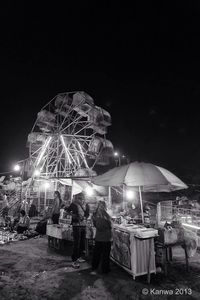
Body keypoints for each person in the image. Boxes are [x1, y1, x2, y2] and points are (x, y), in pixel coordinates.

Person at [66, 193, 90, 268]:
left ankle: (79, 256)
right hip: (76, 225)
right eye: (80, 198)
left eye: (83, 198)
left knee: (82, 242)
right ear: (77, 198)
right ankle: (74, 260)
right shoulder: (74, 204)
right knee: (77, 243)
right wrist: (73, 215)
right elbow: (67, 211)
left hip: (83, 225)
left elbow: (87, 214)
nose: (81, 199)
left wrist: (85, 217)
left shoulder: (86, 205)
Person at [91, 200, 112, 275]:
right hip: (106, 237)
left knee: (97, 253)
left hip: (98, 237)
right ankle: (105, 269)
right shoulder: (106, 215)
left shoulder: (94, 214)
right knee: (105, 254)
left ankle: (94, 267)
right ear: (104, 206)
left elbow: (95, 225)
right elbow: (110, 225)